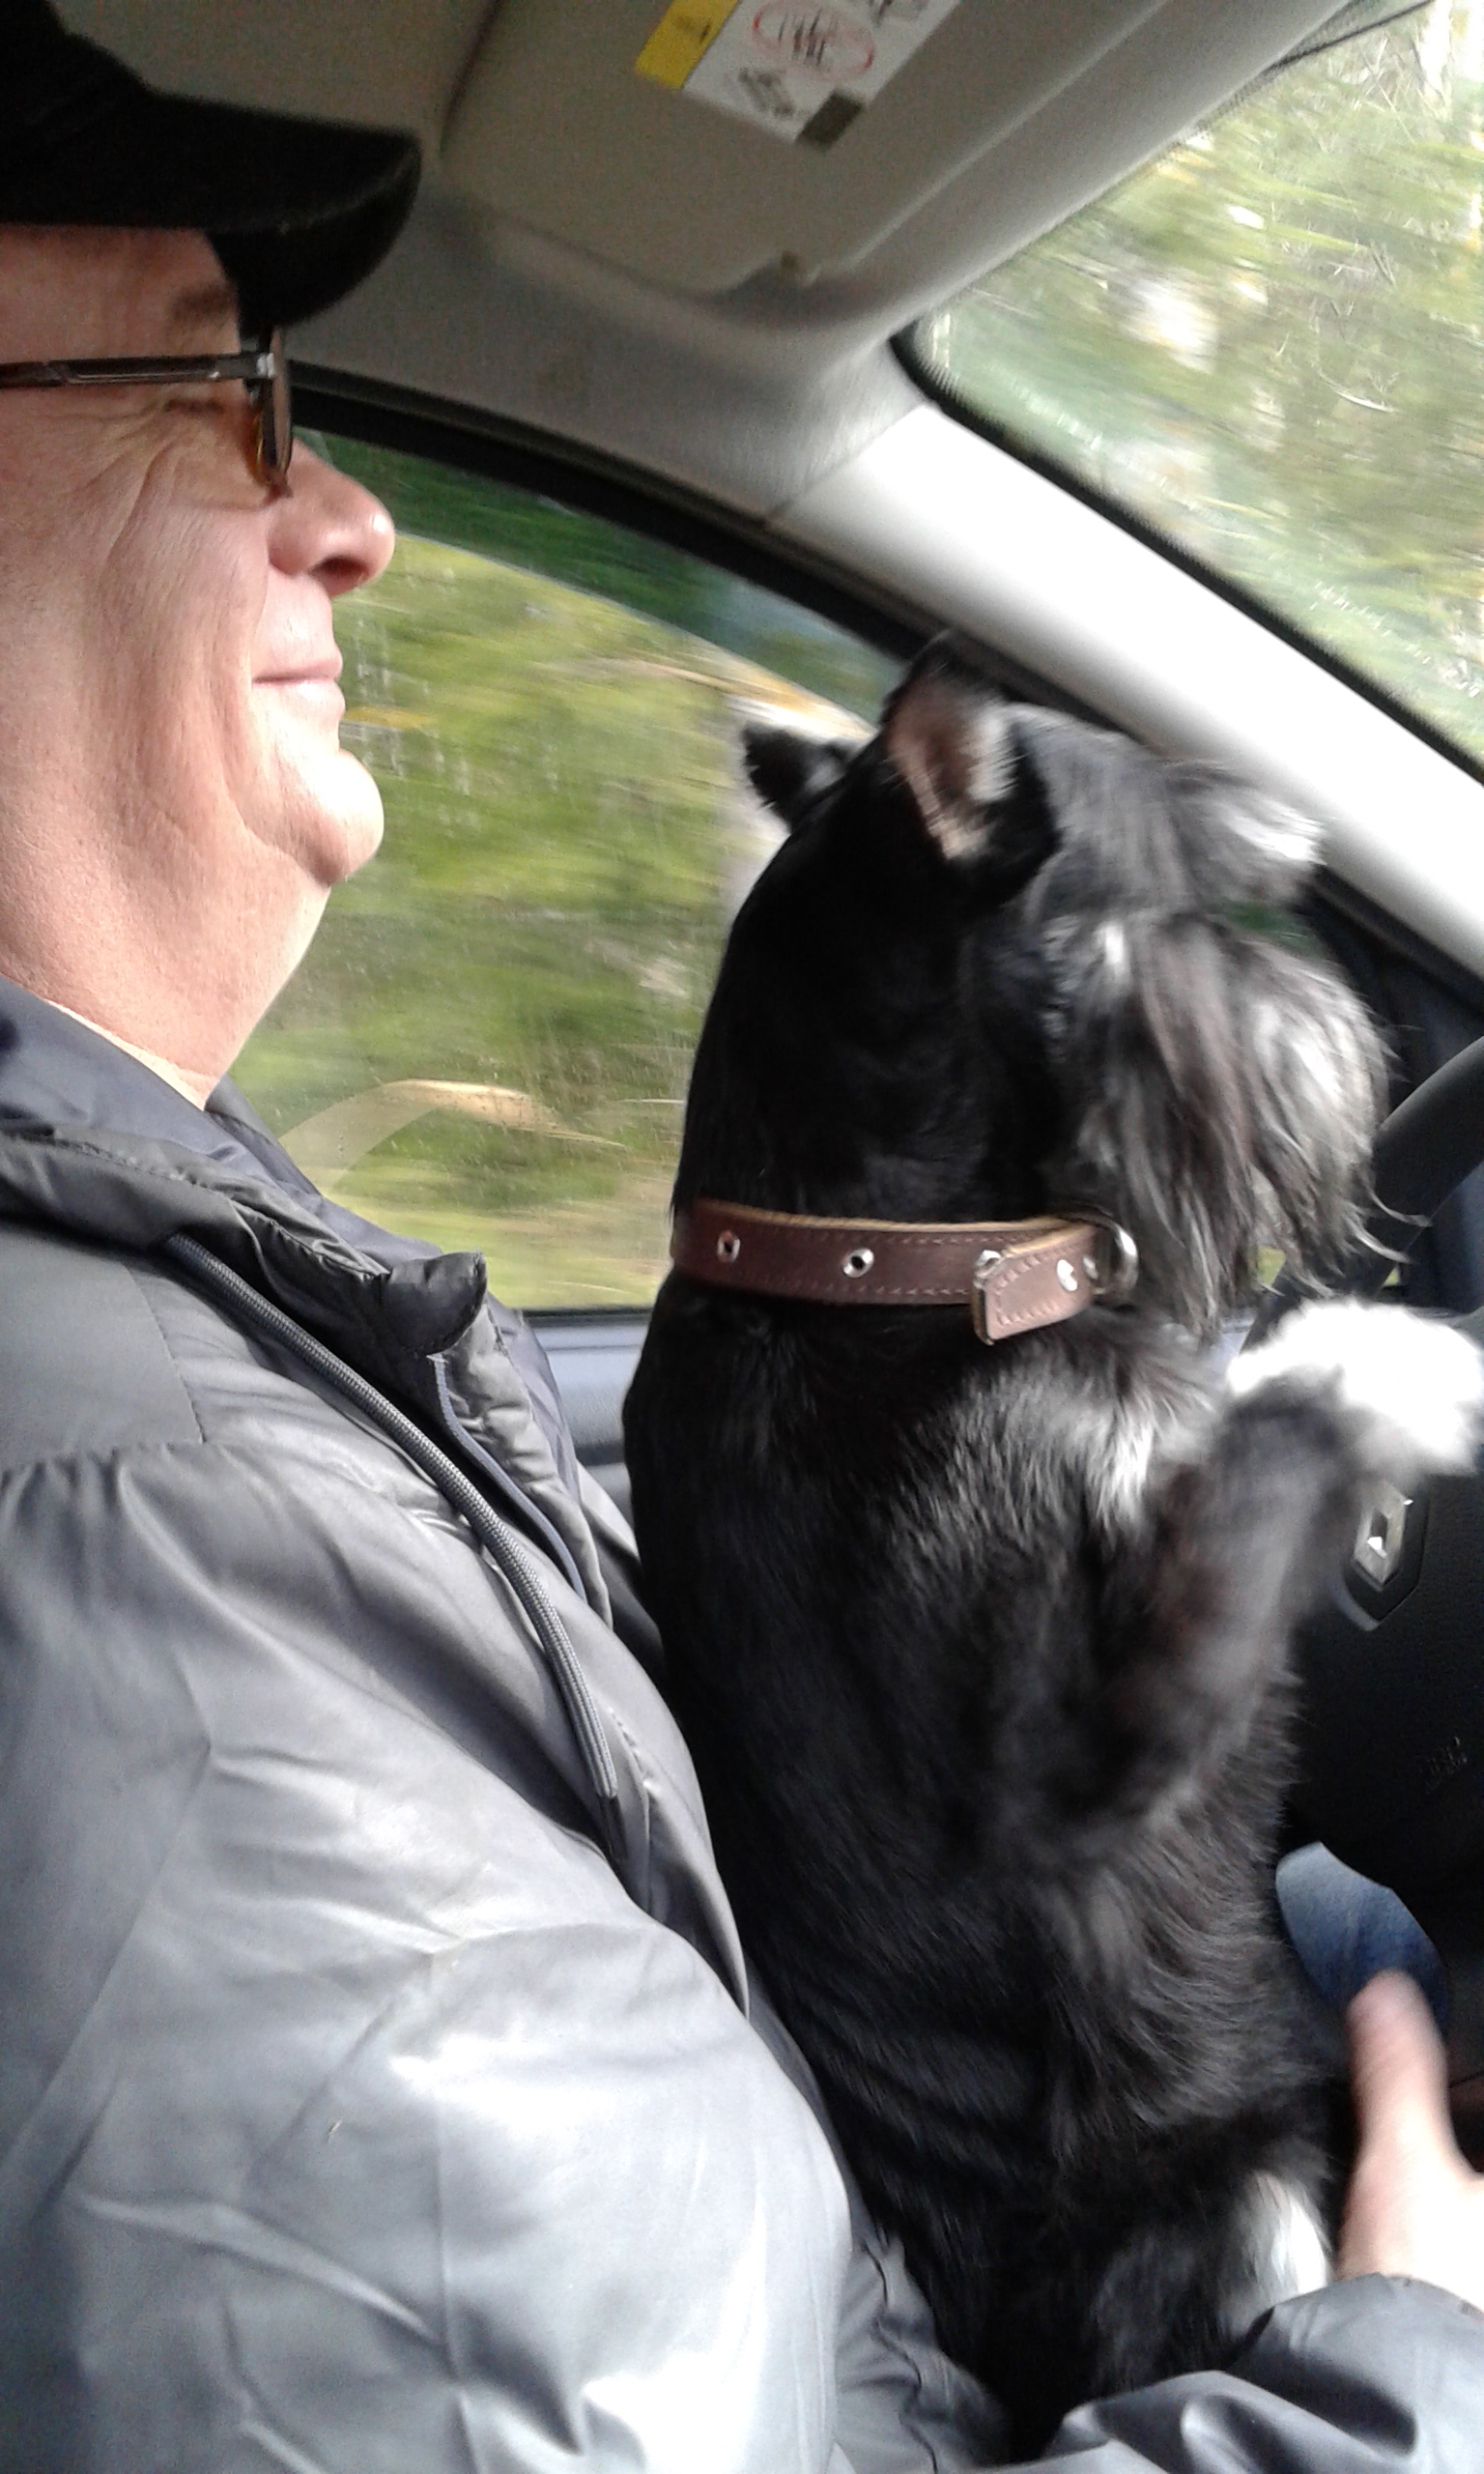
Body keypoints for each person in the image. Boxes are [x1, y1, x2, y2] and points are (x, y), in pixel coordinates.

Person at [0, 6, 1481, 2467]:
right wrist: (1410, 2361)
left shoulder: (196, 1297)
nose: (346, 512)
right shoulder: (123, 1547)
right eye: (216, 397)